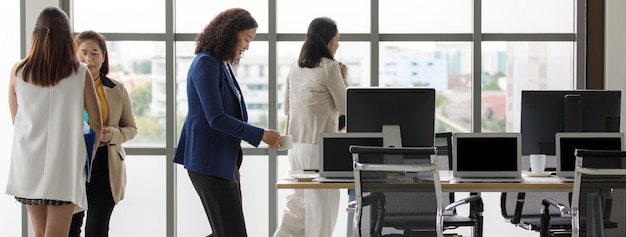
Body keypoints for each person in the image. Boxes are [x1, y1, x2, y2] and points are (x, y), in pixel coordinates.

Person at [173, 8, 282, 237]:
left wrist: (232, 165)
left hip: (222, 161)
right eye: (246, 39)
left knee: (226, 231)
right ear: (229, 34)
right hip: (208, 161)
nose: (247, 46)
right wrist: (261, 134)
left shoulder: (220, 64)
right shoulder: (206, 63)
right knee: (231, 232)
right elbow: (216, 117)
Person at [6, 6, 102, 237]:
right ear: (67, 37)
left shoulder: (19, 70)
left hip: (28, 164)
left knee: (39, 233)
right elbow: (97, 125)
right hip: (64, 166)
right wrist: (88, 156)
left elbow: (16, 119)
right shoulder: (79, 73)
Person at [273, 17, 348, 237]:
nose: (338, 45)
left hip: (296, 147)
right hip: (320, 149)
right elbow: (344, 106)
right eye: (336, 39)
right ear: (327, 41)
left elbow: (287, 108)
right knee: (321, 212)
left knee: (297, 207)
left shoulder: (295, 67)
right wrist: (343, 78)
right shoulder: (330, 67)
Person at [68, 30, 138, 237]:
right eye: (83, 52)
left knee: (97, 228)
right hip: (74, 164)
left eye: (95, 53)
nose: (89, 58)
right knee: (71, 226)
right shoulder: (65, 87)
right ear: (74, 54)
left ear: (104, 57)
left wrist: (113, 134)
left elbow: (131, 128)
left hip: (105, 166)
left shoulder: (117, 89)